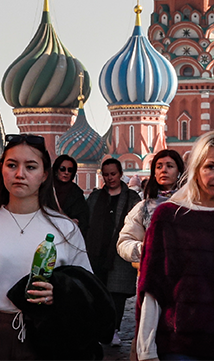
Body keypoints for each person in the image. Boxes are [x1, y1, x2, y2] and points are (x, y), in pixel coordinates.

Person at [0, 133, 91, 361]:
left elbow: (88, 289)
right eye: (12, 165)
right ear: (1, 171)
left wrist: (61, 294)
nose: (20, 174)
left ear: (45, 174)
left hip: (47, 337)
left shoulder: (65, 230)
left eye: (31, 166)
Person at [135, 132, 214, 361]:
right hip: (182, 345)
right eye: (211, 167)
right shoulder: (169, 217)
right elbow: (152, 286)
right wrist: (145, 350)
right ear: (196, 169)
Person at [86, 158, 141, 347]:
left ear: (120, 174)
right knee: (98, 293)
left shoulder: (133, 198)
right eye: (106, 174)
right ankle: (100, 329)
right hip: (96, 253)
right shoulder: (95, 198)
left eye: (113, 174)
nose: (110, 178)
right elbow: (87, 222)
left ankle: (114, 330)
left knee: (117, 296)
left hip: (119, 254)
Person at [117, 149, 185, 267]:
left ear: (179, 172)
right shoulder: (144, 207)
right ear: (154, 173)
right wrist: (145, 248)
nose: (164, 170)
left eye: (170, 166)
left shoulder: (191, 205)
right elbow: (124, 242)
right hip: (153, 274)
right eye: (159, 167)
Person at [52, 154, 91, 237]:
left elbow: (83, 218)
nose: (66, 173)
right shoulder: (47, 189)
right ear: (56, 170)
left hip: (67, 235)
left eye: (70, 170)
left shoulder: (76, 192)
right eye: (62, 169)